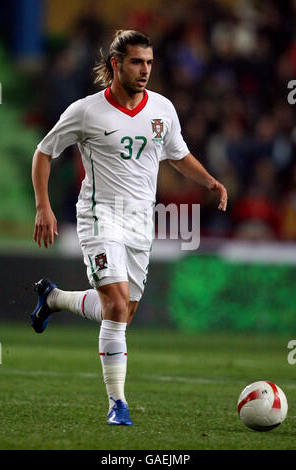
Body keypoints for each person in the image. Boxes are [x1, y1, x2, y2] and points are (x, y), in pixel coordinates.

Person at [31, 29, 228, 426]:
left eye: (150, 62)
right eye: (137, 62)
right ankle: (117, 404)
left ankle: (53, 299)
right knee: (117, 305)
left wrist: (209, 180)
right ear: (116, 64)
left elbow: (178, 155)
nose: (145, 71)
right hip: (100, 217)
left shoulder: (162, 109)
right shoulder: (86, 111)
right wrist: (43, 206)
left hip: (142, 222)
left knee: (121, 311)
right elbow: (44, 152)